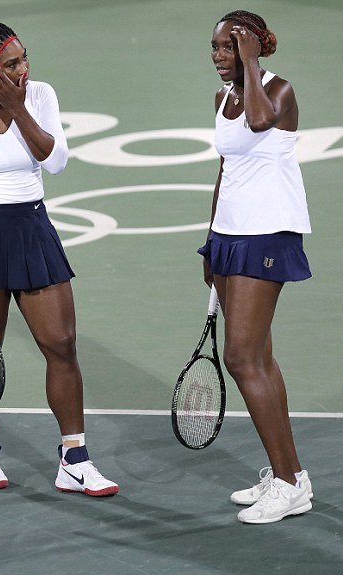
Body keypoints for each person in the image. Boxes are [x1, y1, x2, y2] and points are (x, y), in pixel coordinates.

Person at [0, 22, 118, 496]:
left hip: (32, 232)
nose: (23, 70)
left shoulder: (39, 96)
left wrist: (18, 109)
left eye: (24, 59)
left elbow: (54, 161)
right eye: (11, 65)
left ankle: (74, 459)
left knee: (61, 343)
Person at [201, 10, 314, 524]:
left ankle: (288, 483)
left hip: (266, 234)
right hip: (231, 236)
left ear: (253, 47)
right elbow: (227, 168)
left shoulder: (278, 92)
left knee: (242, 358)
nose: (219, 56)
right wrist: (210, 241)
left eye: (229, 47)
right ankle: (291, 474)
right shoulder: (224, 97)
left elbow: (259, 120)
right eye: (217, 48)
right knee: (260, 357)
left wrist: (251, 64)